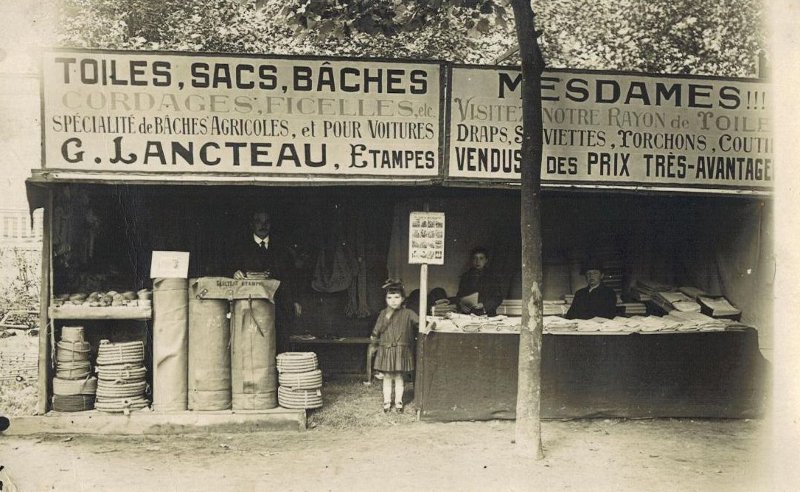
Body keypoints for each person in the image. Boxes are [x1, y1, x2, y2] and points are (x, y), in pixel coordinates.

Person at [230, 210, 302, 350]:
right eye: (258, 222)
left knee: (280, 342)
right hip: (251, 306)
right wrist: (234, 273)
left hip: (278, 305)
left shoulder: (281, 249)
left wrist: (295, 300)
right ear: (252, 225)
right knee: (254, 345)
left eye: (266, 222)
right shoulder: (240, 248)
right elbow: (229, 270)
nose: (263, 226)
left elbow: (291, 276)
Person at [370, 280, 418, 413]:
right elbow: (376, 331)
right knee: (387, 377)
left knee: (398, 376)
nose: (393, 301)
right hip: (386, 349)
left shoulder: (409, 313)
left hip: (401, 351)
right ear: (385, 299)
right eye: (389, 297)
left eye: (397, 297)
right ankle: (387, 401)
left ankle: (398, 402)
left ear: (403, 299)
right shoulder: (383, 314)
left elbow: (420, 324)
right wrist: (374, 343)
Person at [456, 247, 504, 316]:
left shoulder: (493, 277)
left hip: (487, 314)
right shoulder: (465, 276)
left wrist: (484, 305)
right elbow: (459, 296)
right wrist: (461, 305)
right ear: (472, 260)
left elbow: (498, 298)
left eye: (481, 258)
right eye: (475, 258)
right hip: (468, 315)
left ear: (486, 260)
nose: (477, 261)